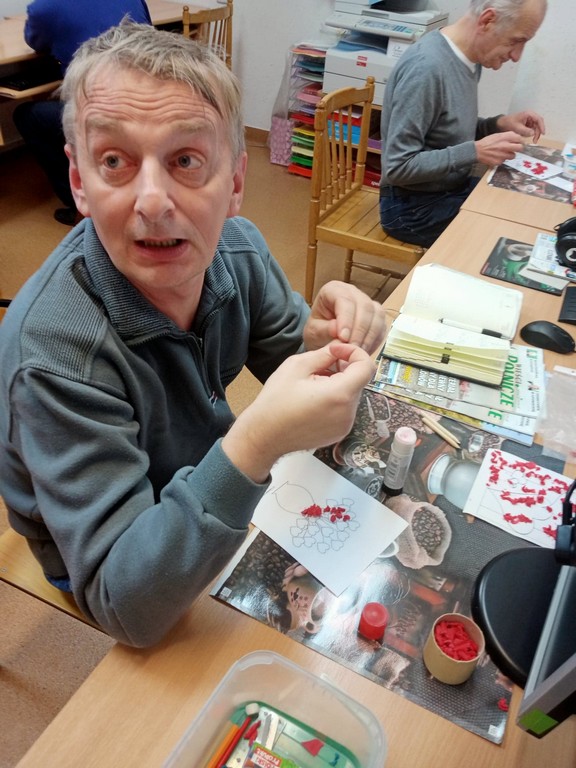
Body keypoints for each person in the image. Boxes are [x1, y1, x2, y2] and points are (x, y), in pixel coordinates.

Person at [0, 23, 387, 648]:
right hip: (101, 553)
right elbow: (125, 607)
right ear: (79, 182)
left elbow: (297, 365)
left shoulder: (239, 250)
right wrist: (255, 442)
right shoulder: (53, 358)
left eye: (185, 161)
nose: (152, 202)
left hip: (198, 483)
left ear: (234, 183)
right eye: (114, 161)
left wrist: (327, 344)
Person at [379, 0, 547, 248]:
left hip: (447, 191)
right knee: (509, 235)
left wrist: (498, 124)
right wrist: (475, 151)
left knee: (520, 204)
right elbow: (398, 167)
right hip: (410, 208)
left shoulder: (470, 61)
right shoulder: (426, 68)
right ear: (487, 20)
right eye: (515, 41)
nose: (516, 56)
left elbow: (446, 129)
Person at [12, 0, 152, 226]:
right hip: (146, 101)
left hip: (103, 109)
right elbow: (150, 36)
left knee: (26, 115)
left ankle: (75, 200)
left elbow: (36, 43)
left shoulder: (44, 8)